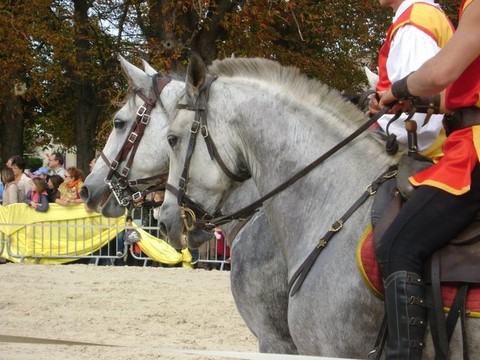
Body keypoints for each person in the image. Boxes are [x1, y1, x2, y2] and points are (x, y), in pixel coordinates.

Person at [371, 1, 480, 358]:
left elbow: (440, 72)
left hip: (474, 149)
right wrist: (412, 99)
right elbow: (457, 90)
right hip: (466, 135)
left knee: (398, 244)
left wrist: (400, 88)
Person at [370, 0, 454, 160]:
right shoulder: (423, 15)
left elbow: (419, 122)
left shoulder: (414, 23)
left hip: (418, 153)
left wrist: (376, 131)